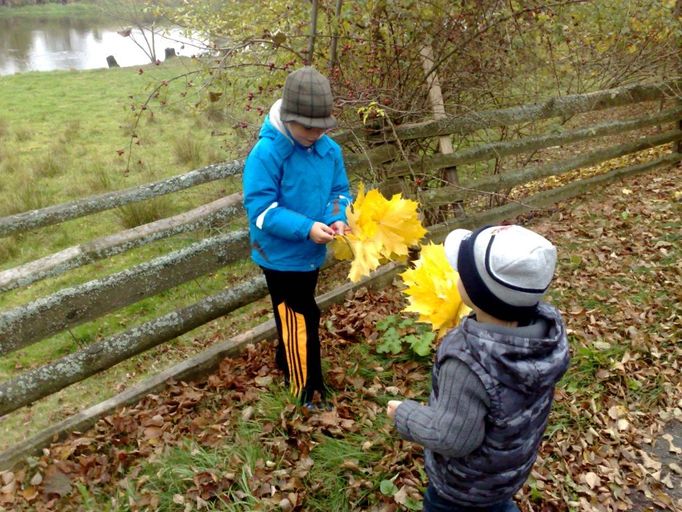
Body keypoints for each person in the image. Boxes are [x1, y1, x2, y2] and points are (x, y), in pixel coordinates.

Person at [387, 224, 570, 512]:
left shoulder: (467, 361)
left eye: (462, 272)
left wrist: (405, 415)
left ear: (478, 293)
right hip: (506, 474)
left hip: (460, 489)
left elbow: (453, 438)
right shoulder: (545, 339)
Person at [242, 66, 352, 410]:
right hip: (279, 255)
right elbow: (261, 209)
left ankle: (284, 358)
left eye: (321, 128)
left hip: (310, 253)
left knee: (293, 312)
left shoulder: (328, 150)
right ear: (288, 118)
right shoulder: (267, 153)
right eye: (307, 127)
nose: (315, 134)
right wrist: (306, 227)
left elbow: (339, 191)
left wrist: (336, 218)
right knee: (301, 316)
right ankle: (307, 390)